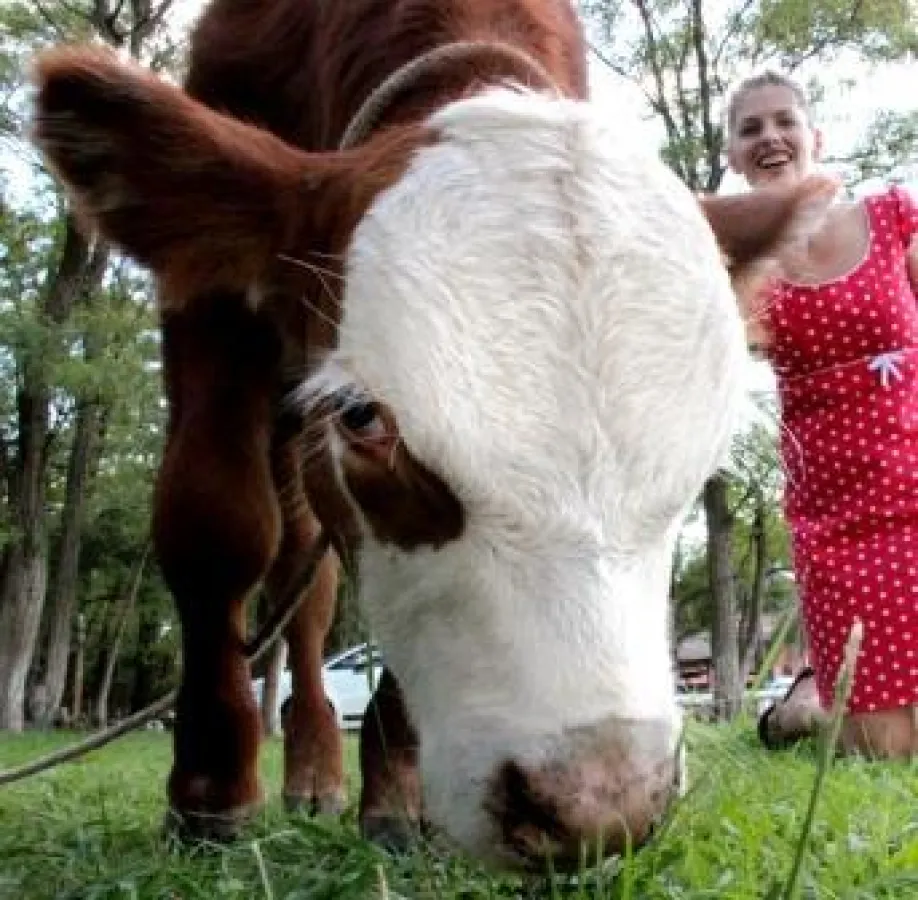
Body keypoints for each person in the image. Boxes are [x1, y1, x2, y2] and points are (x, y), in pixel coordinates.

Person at [724, 69, 918, 759]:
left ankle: (816, 693)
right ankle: (798, 712)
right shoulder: (735, 267)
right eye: (750, 128)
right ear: (733, 156)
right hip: (837, 522)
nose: (770, 136)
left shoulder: (891, 218)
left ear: (817, 137)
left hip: (915, 483)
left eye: (785, 121)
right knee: (883, 749)